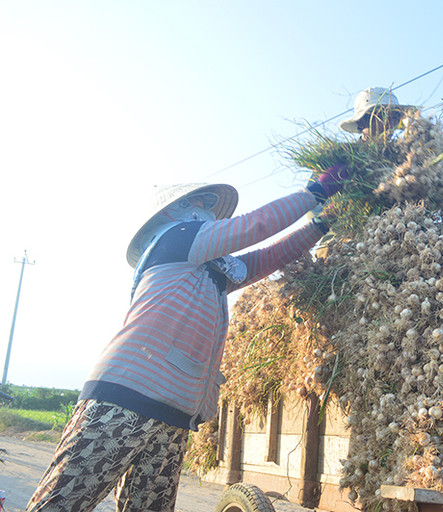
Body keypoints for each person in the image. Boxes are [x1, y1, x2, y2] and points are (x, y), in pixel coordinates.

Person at [25, 165, 348, 512]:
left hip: (174, 413)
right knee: (61, 504)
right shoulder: (175, 239)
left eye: (212, 204)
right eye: (201, 203)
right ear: (171, 213)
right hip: (125, 398)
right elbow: (254, 227)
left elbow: (267, 258)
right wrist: (316, 192)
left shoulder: (213, 272)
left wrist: (320, 224)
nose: (208, 210)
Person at [339, 86, 415, 141]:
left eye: (395, 118)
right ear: (361, 122)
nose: (390, 124)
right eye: (382, 116)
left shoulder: (401, 157)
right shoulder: (346, 159)